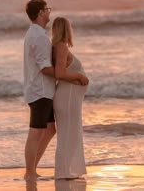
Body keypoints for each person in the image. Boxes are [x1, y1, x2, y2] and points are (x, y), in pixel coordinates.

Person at [23, 0, 88, 181]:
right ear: (40, 13)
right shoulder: (39, 37)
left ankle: (32, 168)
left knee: (50, 129)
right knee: (36, 132)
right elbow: (46, 69)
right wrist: (75, 76)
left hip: (44, 91)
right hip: (40, 91)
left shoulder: (37, 34)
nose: (49, 12)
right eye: (46, 9)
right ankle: (29, 172)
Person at [52, 17, 88, 179]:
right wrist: (79, 76)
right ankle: (63, 172)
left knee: (70, 133)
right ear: (67, 29)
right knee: (68, 134)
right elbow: (59, 74)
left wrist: (76, 78)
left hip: (69, 96)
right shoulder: (61, 47)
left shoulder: (57, 46)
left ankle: (67, 170)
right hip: (67, 97)